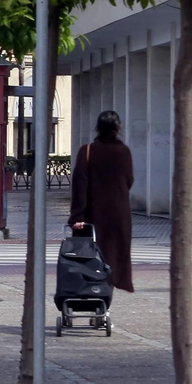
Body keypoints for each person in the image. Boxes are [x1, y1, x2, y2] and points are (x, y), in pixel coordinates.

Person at [69, 109, 135, 292]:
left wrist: (77, 216)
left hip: (93, 213)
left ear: (97, 128)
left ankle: (93, 294)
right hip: (119, 214)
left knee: (91, 256)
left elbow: (79, 185)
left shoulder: (87, 151)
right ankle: (106, 296)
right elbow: (129, 180)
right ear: (118, 128)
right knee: (113, 258)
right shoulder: (124, 152)